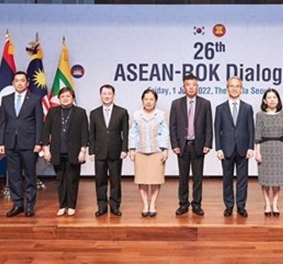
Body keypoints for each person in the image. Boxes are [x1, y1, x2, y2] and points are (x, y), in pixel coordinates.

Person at [0, 71, 44, 217]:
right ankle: (17, 204)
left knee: (30, 175)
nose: (19, 83)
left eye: (22, 80)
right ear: (13, 83)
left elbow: (39, 122)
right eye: (16, 80)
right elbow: (2, 122)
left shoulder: (35, 99)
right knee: (14, 176)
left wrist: (39, 142)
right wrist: (1, 142)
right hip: (11, 143)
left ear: (27, 83)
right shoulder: (6, 99)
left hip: (29, 143)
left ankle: (30, 205)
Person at [169, 74, 213, 216]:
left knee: (198, 177)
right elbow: (173, 126)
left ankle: (196, 204)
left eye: (194, 85)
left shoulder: (205, 103)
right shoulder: (176, 104)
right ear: (184, 87)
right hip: (182, 145)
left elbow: (208, 126)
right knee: (183, 177)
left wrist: (208, 143)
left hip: (198, 145)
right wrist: (175, 144)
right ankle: (183, 204)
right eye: (188, 85)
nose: (191, 87)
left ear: (197, 87)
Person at [42, 87, 89, 217]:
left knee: (73, 179)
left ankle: (72, 205)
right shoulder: (52, 112)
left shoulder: (80, 112)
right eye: (63, 96)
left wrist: (83, 150)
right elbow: (45, 131)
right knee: (60, 180)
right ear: (59, 98)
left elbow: (84, 132)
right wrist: (45, 148)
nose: (65, 98)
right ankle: (62, 205)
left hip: (74, 152)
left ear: (73, 98)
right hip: (57, 151)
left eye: (68, 96)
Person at [214, 77, 255, 217]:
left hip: (243, 149)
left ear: (241, 89)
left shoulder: (247, 108)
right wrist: (218, 148)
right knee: (227, 179)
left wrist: (251, 147)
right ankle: (229, 205)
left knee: (243, 179)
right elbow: (217, 129)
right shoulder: (220, 108)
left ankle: (241, 206)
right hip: (226, 149)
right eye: (231, 86)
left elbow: (251, 129)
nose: (234, 88)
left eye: (237, 86)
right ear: (227, 88)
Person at [128, 88, 170, 217]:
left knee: (156, 179)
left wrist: (165, 150)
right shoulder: (136, 115)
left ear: (156, 101)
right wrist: (131, 149)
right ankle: (145, 204)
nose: (148, 101)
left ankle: (153, 204)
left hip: (156, 151)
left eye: (151, 99)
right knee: (142, 179)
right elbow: (133, 133)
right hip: (140, 151)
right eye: (146, 99)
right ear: (142, 101)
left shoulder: (161, 115)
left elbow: (165, 133)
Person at [89, 84, 129, 217]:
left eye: (109, 94)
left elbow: (125, 133)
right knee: (100, 180)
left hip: (116, 151)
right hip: (99, 152)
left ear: (113, 95)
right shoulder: (94, 113)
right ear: (100, 96)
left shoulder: (122, 112)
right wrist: (91, 151)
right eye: (104, 94)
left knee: (115, 181)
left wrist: (124, 149)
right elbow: (92, 134)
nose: (106, 96)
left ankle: (115, 206)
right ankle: (101, 206)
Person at [254, 88, 283, 217]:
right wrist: (257, 152)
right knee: (265, 180)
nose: (272, 99)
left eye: (274, 97)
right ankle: (267, 204)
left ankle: (275, 203)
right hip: (265, 149)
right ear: (265, 100)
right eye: (269, 97)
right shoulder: (260, 115)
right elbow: (257, 135)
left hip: (279, 149)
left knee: (277, 179)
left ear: (278, 99)